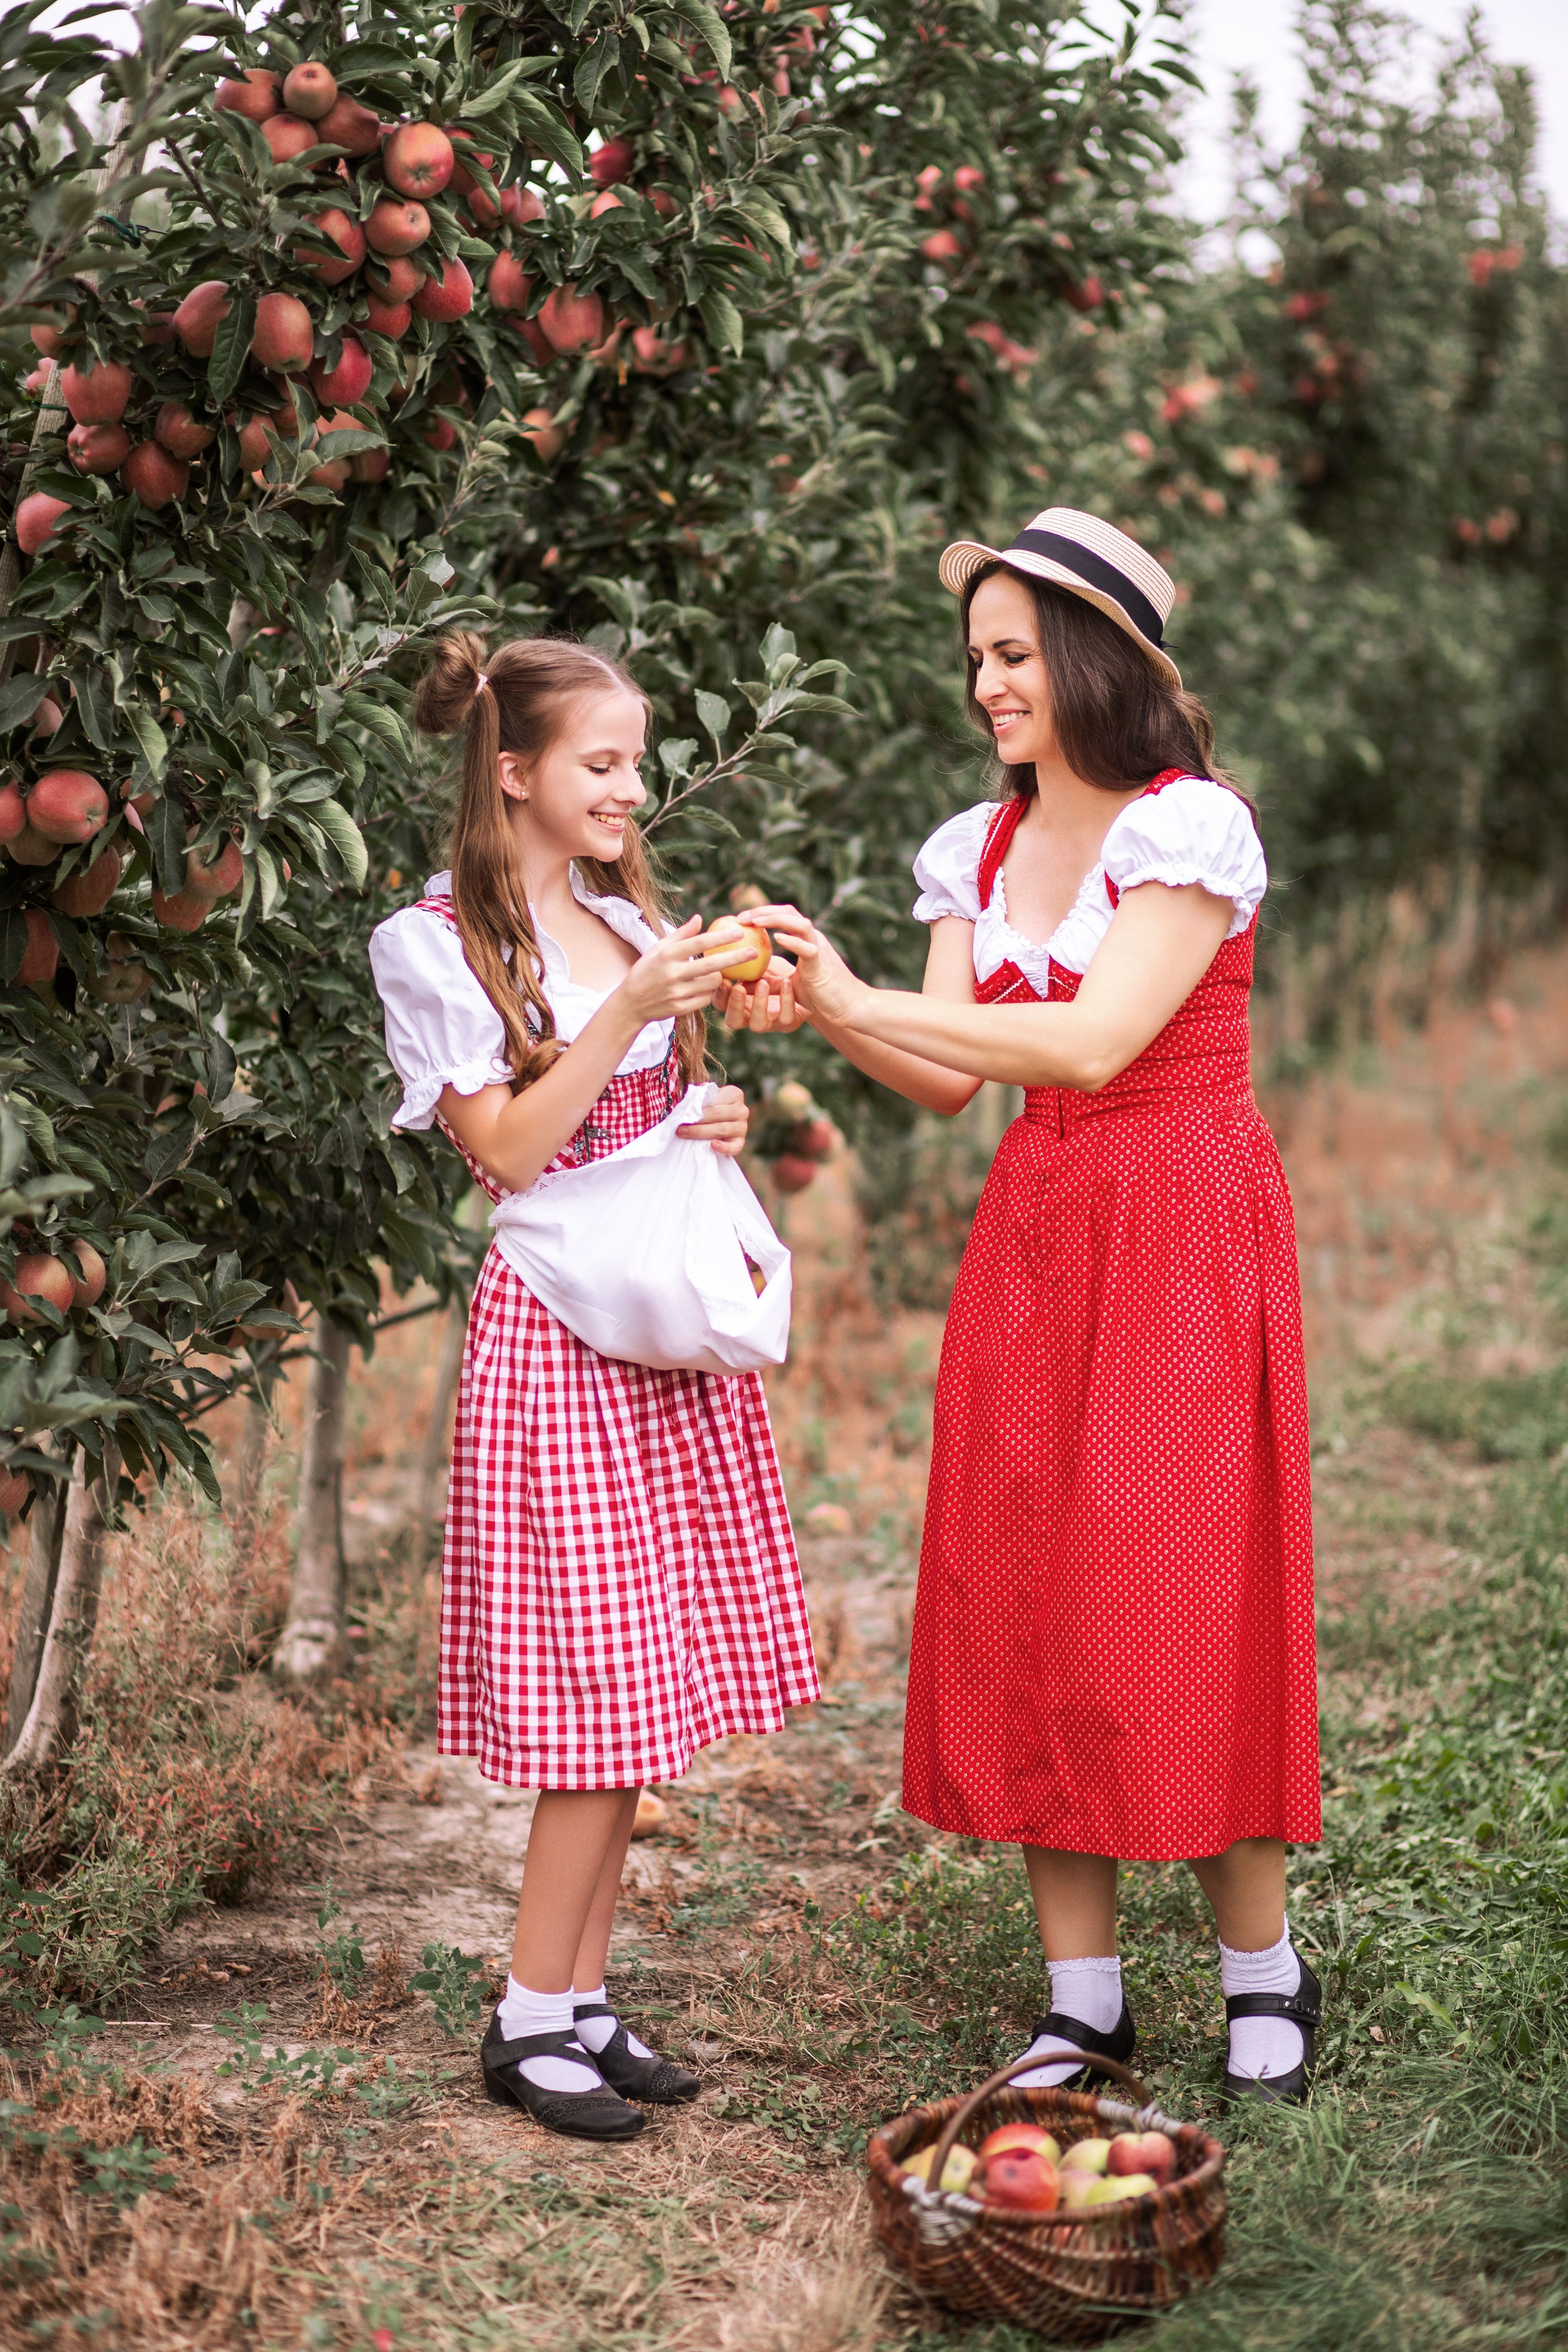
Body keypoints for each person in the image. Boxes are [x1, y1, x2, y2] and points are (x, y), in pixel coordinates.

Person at [752, 511, 1322, 2103]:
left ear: (1092, 659)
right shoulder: (977, 849)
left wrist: (858, 996)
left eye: (1013, 654)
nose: (987, 684)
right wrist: (820, 999)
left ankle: (1262, 1967)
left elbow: (1091, 1043)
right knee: (1035, 1590)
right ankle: (1083, 2006)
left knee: (1179, 1590)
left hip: (1181, 1223)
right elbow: (947, 1075)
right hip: (1040, 1238)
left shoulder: (1188, 827)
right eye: (976, 659)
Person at [368, 631, 820, 2143]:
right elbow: (506, 1148)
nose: (631, 788)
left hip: (657, 1335)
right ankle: (522, 2019)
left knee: (640, 1684)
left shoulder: (625, 914)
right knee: (595, 1704)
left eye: (636, 762)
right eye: (602, 763)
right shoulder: (435, 944)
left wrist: (713, 1111)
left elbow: (643, 1117)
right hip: (561, 1334)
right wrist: (626, 1012)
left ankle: (577, 1996)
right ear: (513, 772)